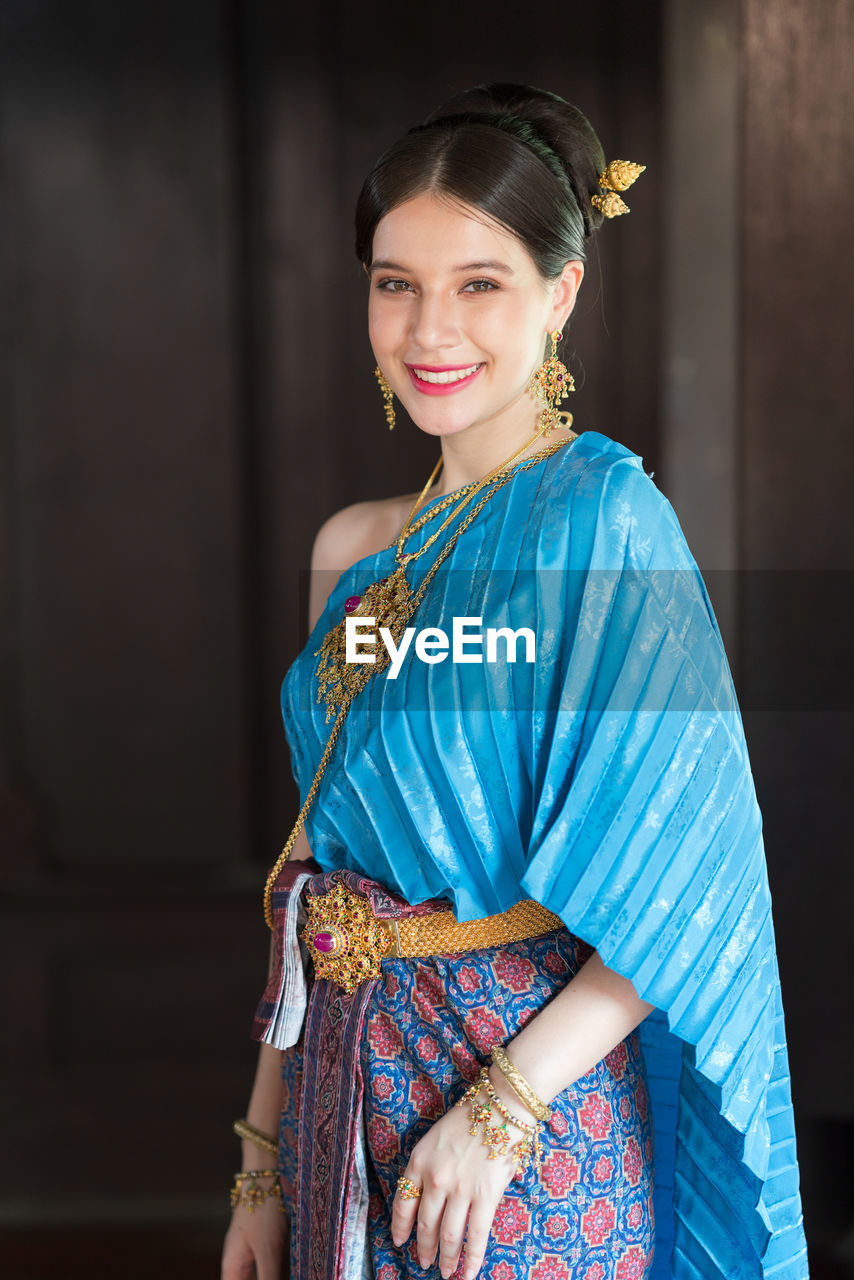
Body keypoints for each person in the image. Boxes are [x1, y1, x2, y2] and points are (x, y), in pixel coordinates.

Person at [221, 83, 809, 1280]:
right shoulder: (351, 550)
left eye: (476, 282)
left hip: (521, 1129)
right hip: (341, 1090)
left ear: (562, 290)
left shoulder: (598, 525)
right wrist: (260, 1156)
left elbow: (690, 873)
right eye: (396, 283)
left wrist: (501, 1109)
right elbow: (314, 879)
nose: (429, 328)